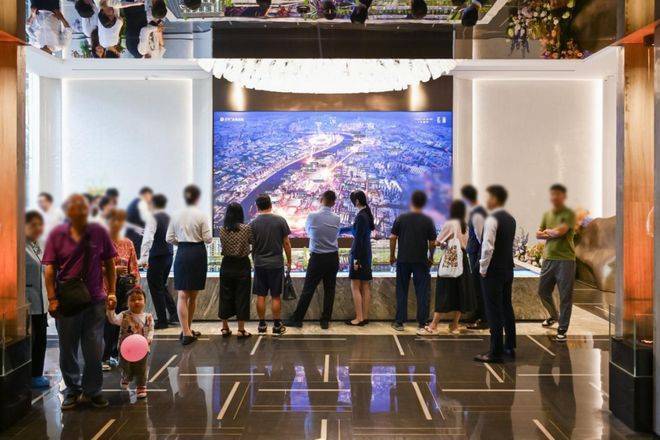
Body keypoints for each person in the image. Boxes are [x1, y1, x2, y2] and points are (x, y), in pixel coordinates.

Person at [43, 194, 117, 410]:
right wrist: (52, 299)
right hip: (68, 301)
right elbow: (50, 270)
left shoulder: (99, 231)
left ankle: (93, 390)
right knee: (68, 349)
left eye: (84, 207)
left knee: (94, 349)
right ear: (68, 211)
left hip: (95, 300)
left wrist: (112, 292)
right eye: (75, 208)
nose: (80, 211)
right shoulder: (57, 234)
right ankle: (72, 390)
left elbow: (110, 264)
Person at [286, 190, 341, 329]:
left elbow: (309, 232)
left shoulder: (312, 216)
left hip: (317, 258)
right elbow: (336, 234)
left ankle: (297, 319)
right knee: (330, 290)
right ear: (334, 203)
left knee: (308, 289)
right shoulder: (337, 218)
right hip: (333, 258)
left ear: (321, 199)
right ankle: (325, 320)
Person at [474, 185, 517, 364]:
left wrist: (483, 268)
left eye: (489, 197)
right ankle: (510, 345)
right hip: (507, 269)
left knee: (493, 310)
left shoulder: (492, 219)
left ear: (495, 199)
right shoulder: (511, 219)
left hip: (493, 271)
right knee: (506, 306)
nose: (487, 200)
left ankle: (495, 352)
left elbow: (488, 247)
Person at [419, 200, 474, 336]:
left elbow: (437, 241)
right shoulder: (465, 226)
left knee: (444, 292)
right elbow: (464, 244)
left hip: (451, 261)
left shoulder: (450, 223)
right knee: (460, 293)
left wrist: (442, 244)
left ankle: (433, 325)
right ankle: (454, 325)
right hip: (462, 262)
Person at [166, 185, 212, 346]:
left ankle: (186, 330)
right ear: (197, 198)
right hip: (198, 253)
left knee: (182, 294)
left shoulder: (175, 215)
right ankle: (187, 331)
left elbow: (169, 238)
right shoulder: (201, 215)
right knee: (192, 296)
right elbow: (208, 239)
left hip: (182, 252)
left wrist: (181, 243)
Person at [389, 191, 437, 331]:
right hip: (421, 261)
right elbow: (432, 242)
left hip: (403, 260)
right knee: (422, 291)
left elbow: (392, 237)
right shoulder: (428, 220)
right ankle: (422, 322)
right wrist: (431, 257)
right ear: (424, 203)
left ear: (411, 202)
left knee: (402, 290)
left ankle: (399, 322)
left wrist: (392, 255)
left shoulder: (401, 218)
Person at [536, 184, 576, 342]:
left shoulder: (569, 214)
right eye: (552, 194)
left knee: (565, 296)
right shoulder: (547, 214)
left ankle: (562, 328)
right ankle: (554, 315)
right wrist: (549, 232)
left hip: (565, 260)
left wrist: (547, 232)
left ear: (563, 197)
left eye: (557, 194)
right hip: (548, 258)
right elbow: (538, 234)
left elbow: (560, 231)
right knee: (543, 291)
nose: (554, 197)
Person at [102, 208, 140, 371]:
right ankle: (103, 356)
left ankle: (117, 354)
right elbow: (92, 268)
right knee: (107, 323)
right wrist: (113, 270)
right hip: (105, 289)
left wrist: (136, 291)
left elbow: (134, 269)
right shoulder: (100, 243)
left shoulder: (128, 243)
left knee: (122, 322)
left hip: (124, 290)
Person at [250, 194, 292, 336]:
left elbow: (252, 246)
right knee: (275, 296)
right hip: (276, 264)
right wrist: (289, 261)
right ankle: (277, 325)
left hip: (260, 264)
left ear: (257, 207)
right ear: (270, 204)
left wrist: (254, 260)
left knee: (260, 295)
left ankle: (262, 325)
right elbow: (286, 243)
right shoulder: (280, 221)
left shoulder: (253, 223)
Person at [106, 286, 154, 399]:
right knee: (125, 365)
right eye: (132, 300)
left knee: (141, 368)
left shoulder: (148, 317)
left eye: (139, 299)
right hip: (125, 349)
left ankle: (141, 386)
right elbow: (113, 320)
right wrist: (110, 310)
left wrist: (149, 337)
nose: (136, 302)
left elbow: (151, 329)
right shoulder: (124, 315)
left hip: (142, 349)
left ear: (145, 301)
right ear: (127, 302)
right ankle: (126, 377)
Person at [140, 194, 178, 329]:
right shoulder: (169, 217)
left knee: (156, 288)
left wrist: (143, 258)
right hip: (168, 255)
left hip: (157, 256)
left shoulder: (153, 217)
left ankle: (162, 321)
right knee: (161, 285)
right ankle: (174, 314)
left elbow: (148, 239)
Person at [218, 203, 253, 337]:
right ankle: (241, 329)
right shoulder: (246, 228)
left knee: (225, 296)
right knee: (242, 296)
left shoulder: (222, 229)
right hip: (242, 264)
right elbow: (252, 241)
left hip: (226, 264)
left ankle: (225, 327)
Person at [341, 190, 375, 326]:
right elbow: (358, 231)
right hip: (366, 254)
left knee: (355, 285)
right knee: (365, 285)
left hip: (359, 255)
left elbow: (358, 238)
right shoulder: (367, 214)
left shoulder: (361, 216)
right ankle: (364, 317)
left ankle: (359, 318)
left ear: (357, 201)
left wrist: (356, 259)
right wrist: (342, 230)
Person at [25, 211, 50, 389]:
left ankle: (36, 374)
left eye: (40, 224)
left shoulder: (39, 244)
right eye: (33, 224)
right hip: (25, 304)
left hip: (42, 302)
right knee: (29, 341)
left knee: (41, 338)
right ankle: (26, 375)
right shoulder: (18, 246)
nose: (37, 228)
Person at [461, 185, 488, 330]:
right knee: (476, 287)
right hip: (475, 253)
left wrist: (480, 259)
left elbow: (481, 237)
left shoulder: (477, 214)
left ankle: (483, 318)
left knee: (480, 287)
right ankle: (477, 314)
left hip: (477, 255)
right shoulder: (477, 211)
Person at [126, 187, 154, 255]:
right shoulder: (140, 203)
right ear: (146, 195)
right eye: (150, 196)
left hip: (133, 237)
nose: (150, 199)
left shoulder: (135, 202)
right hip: (136, 238)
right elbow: (148, 219)